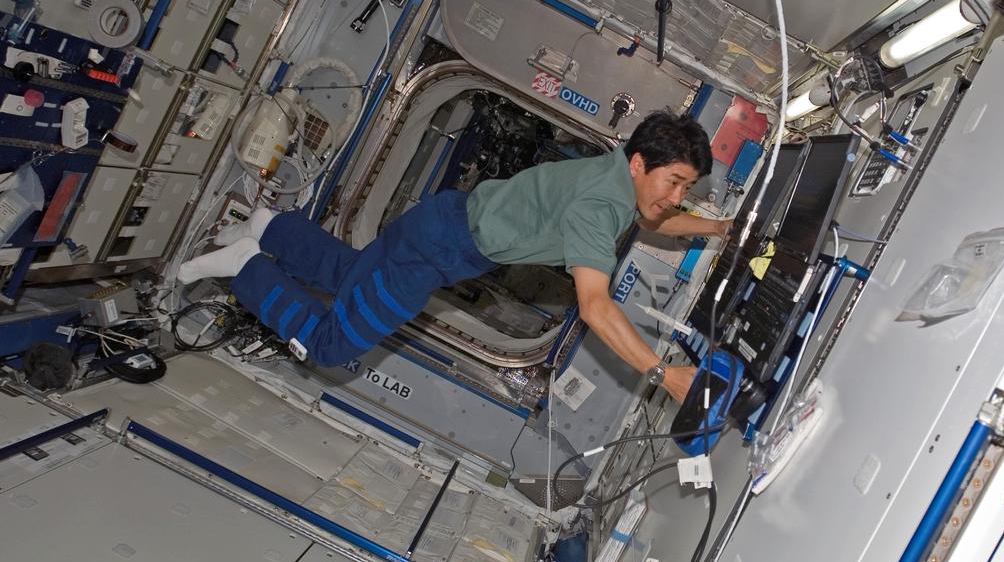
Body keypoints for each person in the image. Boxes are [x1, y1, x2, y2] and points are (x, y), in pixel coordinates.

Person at [177, 111, 727, 404]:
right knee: (329, 345)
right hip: (438, 252)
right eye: (675, 181)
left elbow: (656, 217)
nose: (676, 196)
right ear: (639, 164)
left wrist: (720, 228)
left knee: (352, 277)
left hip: (442, 221)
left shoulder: (615, 177)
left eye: (686, 187)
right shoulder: (599, 207)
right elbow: (594, 307)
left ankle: (270, 226)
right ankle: (246, 264)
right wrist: (662, 373)